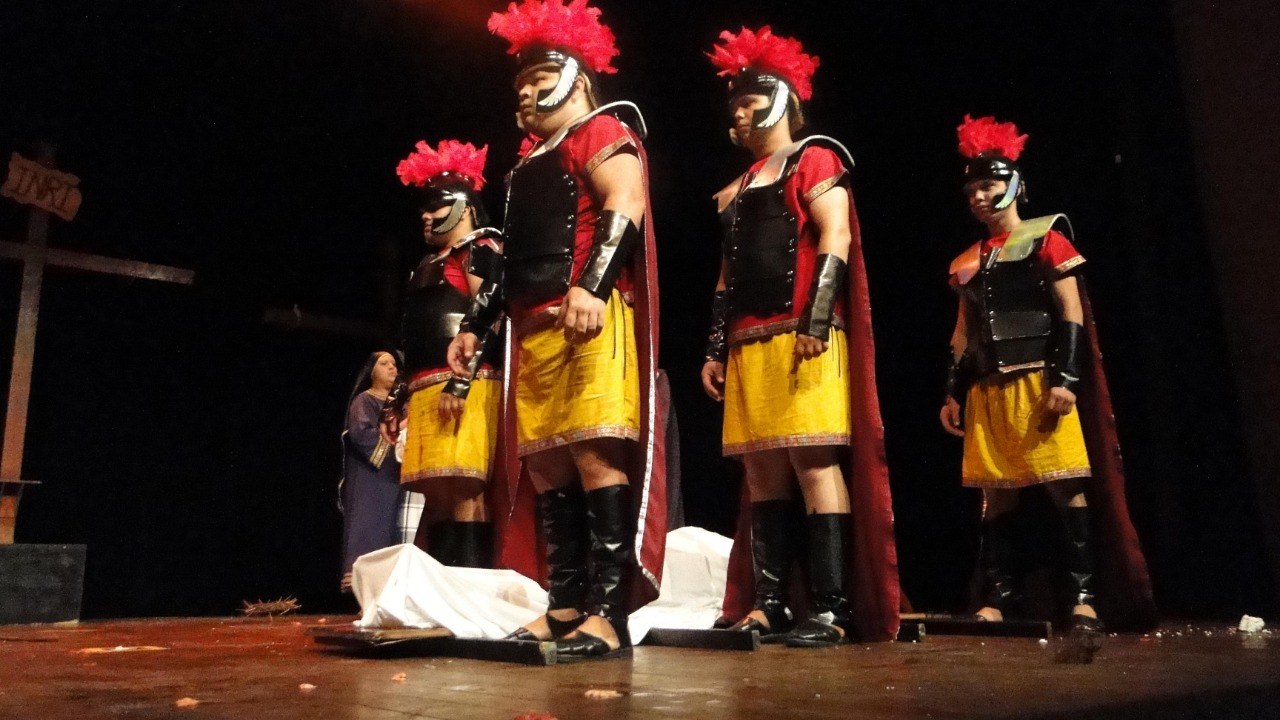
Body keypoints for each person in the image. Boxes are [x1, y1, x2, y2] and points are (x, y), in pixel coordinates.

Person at [446, 0, 667, 662]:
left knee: (595, 454)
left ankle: (608, 612)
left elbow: (625, 200)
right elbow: (512, 257)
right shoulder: (526, 165)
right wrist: (477, 324)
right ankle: (566, 602)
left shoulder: (600, 130)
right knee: (546, 466)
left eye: (539, 77)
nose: (525, 91)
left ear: (576, 77)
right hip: (533, 326)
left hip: (588, 317)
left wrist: (593, 285)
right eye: (519, 82)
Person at [700, 26, 899, 647]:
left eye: (750, 100)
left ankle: (832, 608)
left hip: (803, 334)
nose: (739, 112)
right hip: (748, 341)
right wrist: (714, 346)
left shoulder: (816, 158)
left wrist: (816, 318)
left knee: (814, 462)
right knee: (762, 472)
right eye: (734, 103)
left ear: (782, 100)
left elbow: (836, 234)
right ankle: (770, 603)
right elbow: (728, 274)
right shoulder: (734, 191)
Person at [940, 114, 1156, 635]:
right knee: (997, 493)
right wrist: (952, 391)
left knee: (1064, 487)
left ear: (1015, 184)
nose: (978, 196)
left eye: (988, 185)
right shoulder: (967, 260)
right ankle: (1000, 596)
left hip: (1039, 382)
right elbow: (964, 333)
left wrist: (1066, 379)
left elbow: (1071, 313)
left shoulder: (1046, 238)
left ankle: (1083, 598)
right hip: (989, 387)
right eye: (971, 189)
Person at [383, 139, 505, 568]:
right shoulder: (424, 265)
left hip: (465, 382)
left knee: (465, 486)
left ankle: (468, 587)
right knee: (435, 491)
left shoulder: (480, 248)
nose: (426, 215)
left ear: (465, 207)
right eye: (424, 207)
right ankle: (441, 590)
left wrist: (461, 381)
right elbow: (411, 336)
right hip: (423, 387)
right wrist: (398, 396)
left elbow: (490, 315)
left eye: (437, 205)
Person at [339, 350, 404, 592]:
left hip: (396, 477)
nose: (392, 367)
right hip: (370, 479)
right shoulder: (364, 401)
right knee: (370, 528)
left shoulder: (400, 405)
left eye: (394, 363)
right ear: (372, 371)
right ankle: (365, 593)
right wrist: (397, 436)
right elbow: (361, 433)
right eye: (384, 363)